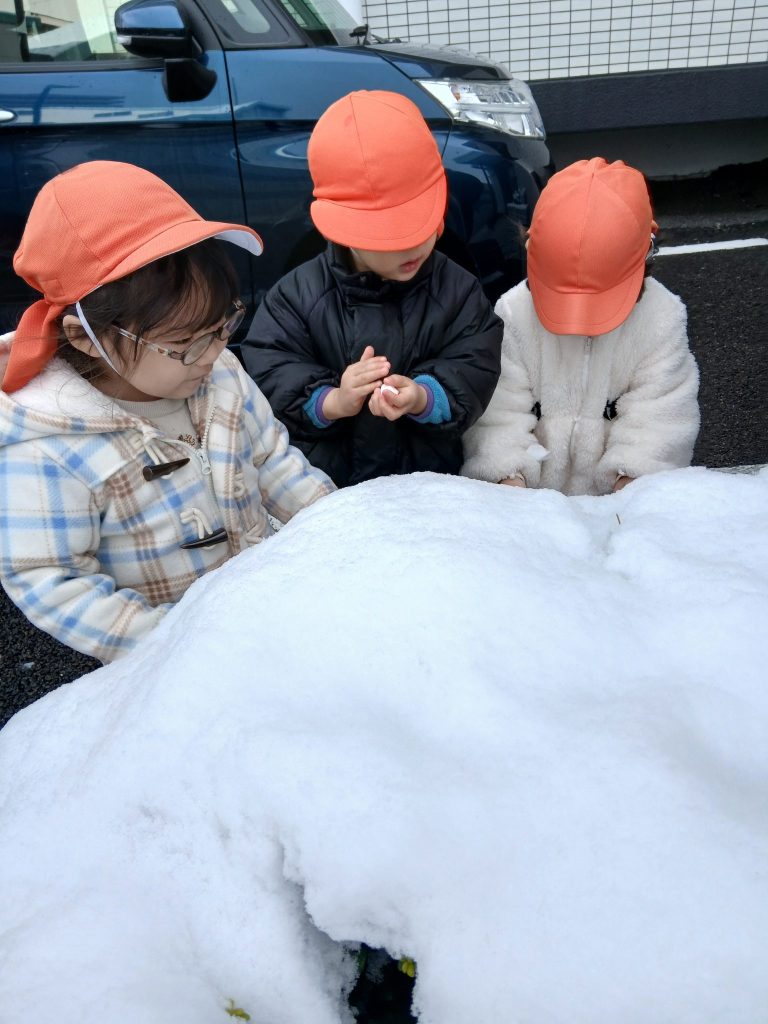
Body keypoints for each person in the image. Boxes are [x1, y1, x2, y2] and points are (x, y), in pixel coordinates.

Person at [0, 161, 334, 663]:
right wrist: (170, 645)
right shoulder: (48, 444)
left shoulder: (220, 374)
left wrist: (340, 532)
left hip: (262, 609)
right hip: (167, 658)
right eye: (184, 343)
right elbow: (53, 578)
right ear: (85, 338)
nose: (212, 353)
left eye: (222, 326)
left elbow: (275, 462)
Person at [240, 89, 503, 488]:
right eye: (391, 236)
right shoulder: (296, 298)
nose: (414, 245)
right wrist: (333, 401)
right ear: (344, 232)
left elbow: (475, 362)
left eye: (420, 223)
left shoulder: (458, 291)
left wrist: (422, 396)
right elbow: (271, 368)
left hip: (430, 484)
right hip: (333, 491)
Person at [461, 157, 700, 496]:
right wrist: (509, 481)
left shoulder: (660, 319)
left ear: (646, 254)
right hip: (531, 505)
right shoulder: (514, 314)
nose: (582, 321)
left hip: (618, 506)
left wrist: (632, 488)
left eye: (600, 301)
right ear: (532, 248)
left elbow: (659, 420)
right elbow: (498, 415)